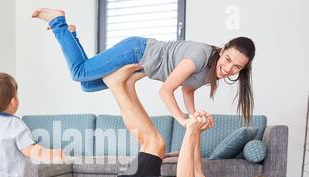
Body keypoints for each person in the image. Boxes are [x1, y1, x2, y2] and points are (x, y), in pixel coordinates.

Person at [102, 64, 276, 177]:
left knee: (155, 143)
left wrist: (191, 131)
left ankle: (116, 85)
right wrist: (197, 126)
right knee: (150, 143)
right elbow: (197, 169)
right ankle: (128, 87)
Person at [32, 8, 256, 125]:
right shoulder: (199, 56)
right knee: (79, 73)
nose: (228, 69)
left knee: (87, 86)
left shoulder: (212, 73)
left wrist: (193, 115)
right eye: (228, 60)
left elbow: (187, 88)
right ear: (222, 50)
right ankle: (57, 21)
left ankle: (71, 33)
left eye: (236, 67)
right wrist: (182, 121)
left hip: (141, 67)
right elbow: (166, 90)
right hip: (137, 51)